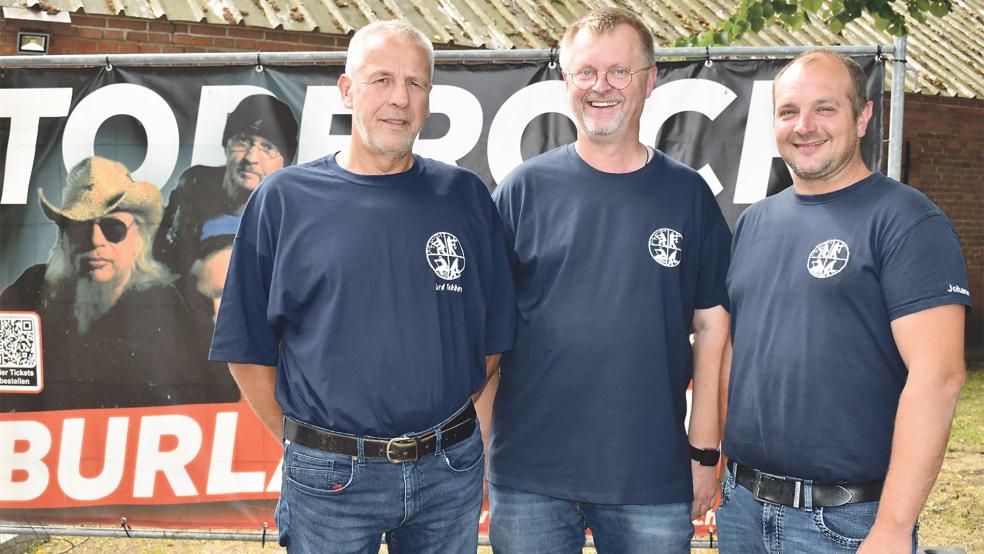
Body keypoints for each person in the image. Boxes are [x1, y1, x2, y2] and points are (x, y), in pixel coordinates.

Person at [208, 20, 515, 554]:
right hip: (329, 482)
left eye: (415, 83)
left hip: (448, 469)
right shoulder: (284, 201)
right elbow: (245, 347)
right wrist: (310, 446)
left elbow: (491, 340)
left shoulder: (464, 196)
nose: (400, 99)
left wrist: (453, 433)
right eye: (382, 80)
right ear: (347, 90)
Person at [484, 8, 732, 553]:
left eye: (619, 72)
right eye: (586, 72)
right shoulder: (521, 191)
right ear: (566, 81)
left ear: (650, 81)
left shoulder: (688, 196)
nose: (601, 87)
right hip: (529, 479)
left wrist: (705, 451)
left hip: (651, 478)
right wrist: (482, 454)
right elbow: (486, 338)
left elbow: (714, 327)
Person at [718, 49, 971, 553]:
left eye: (825, 109)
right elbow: (733, 350)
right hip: (742, 508)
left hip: (846, 523)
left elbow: (939, 377)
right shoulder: (754, 223)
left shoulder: (907, 222)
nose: (804, 126)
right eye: (789, 111)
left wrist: (894, 528)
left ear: (862, 117)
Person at [0, 156, 238, 411]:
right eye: (79, 228)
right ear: (63, 238)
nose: (95, 241)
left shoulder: (170, 302)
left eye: (113, 228)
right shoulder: (32, 287)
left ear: (138, 236)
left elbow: (223, 397)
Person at [153, 94, 299, 278]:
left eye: (268, 148)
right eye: (243, 141)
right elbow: (162, 260)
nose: (251, 158)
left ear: (285, 163)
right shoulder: (193, 184)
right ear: (226, 145)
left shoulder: (291, 216)